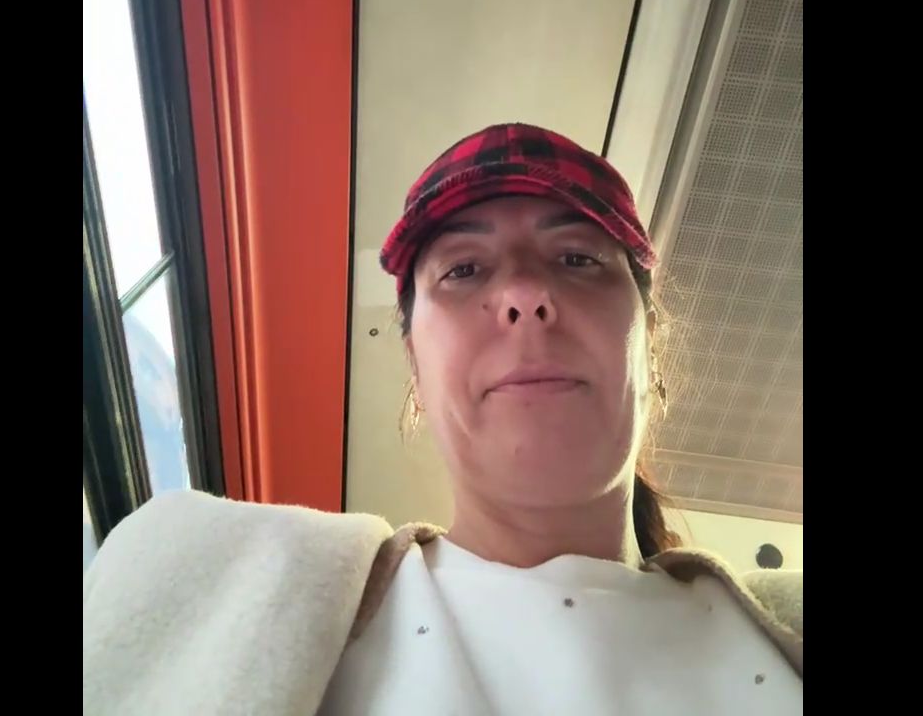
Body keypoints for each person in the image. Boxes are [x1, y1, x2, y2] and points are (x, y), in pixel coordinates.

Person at [83, 123, 802, 715]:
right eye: (462, 269)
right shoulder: (217, 584)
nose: (524, 292)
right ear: (416, 372)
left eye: (577, 258)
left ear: (650, 352)